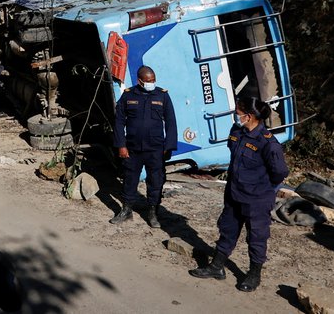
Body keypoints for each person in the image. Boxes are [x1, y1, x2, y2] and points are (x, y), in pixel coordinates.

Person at [189, 94, 289, 292]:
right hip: (234, 193)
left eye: (239, 113)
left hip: (256, 199)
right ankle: (217, 267)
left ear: (250, 116)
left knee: (256, 237)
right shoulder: (237, 131)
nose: (236, 116)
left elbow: (279, 173)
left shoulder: (268, 143)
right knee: (227, 230)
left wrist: (260, 187)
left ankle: (254, 275)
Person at [110, 65, 177, 228]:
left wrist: (169, 146)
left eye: (153, 80)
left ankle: (153, 212)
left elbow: (171, 122)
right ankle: (126, 210)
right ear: (140, 81)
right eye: (148, 81)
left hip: (156, 148)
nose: (151, 83)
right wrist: (121, 145)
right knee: (129, 179)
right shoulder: (128, 96)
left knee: (156, 181)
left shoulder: (162, 96)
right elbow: (118, 122)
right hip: (133, 148)